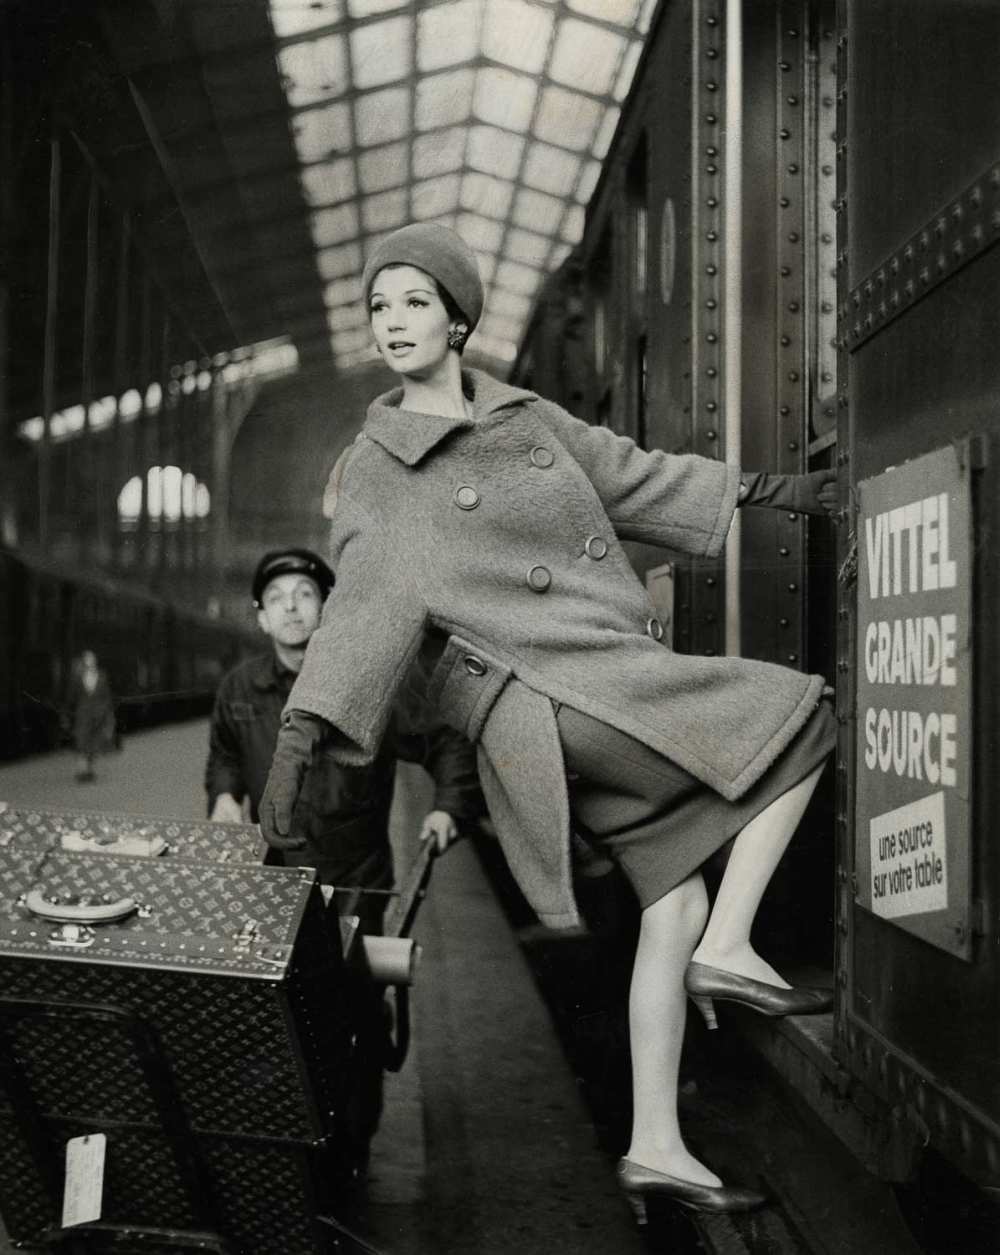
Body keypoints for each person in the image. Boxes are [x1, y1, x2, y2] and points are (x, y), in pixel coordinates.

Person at [259, 223, 839, 1218]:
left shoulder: (526, 416)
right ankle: (735, 946)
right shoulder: (379, 464)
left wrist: (767, 491)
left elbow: (633, 474)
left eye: (411, 301)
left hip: (590, 676)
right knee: (801, 715)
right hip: (540, 695)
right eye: (378, 307)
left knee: (672, 894)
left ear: (456, 317)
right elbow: (362, 604)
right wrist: (300, 734)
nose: (391, 322)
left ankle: (656, 1143)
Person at [206, 546, 482, 932]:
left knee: (351, 986)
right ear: (262, 619)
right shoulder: (240, 689)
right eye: (275, 598)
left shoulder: (371, 684)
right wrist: (225, 795)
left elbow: (446, 741)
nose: (290, 607)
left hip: (357, 885)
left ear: (327, 608)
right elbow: (226, 755)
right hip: (272, 877)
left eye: (304, 593)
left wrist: (449, 807)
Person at [66, 650, 116, 783]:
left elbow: (107, 696)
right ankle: (83, 771)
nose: (89, 661)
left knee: (94, 743)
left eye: (91, 659)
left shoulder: (102, 676)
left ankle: (89, 770)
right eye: (87, 659)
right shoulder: (77, 677)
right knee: (82, 741)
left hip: (99, 714)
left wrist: (108, 714)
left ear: (95, 660)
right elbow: (72, 696)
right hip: (83, 714)